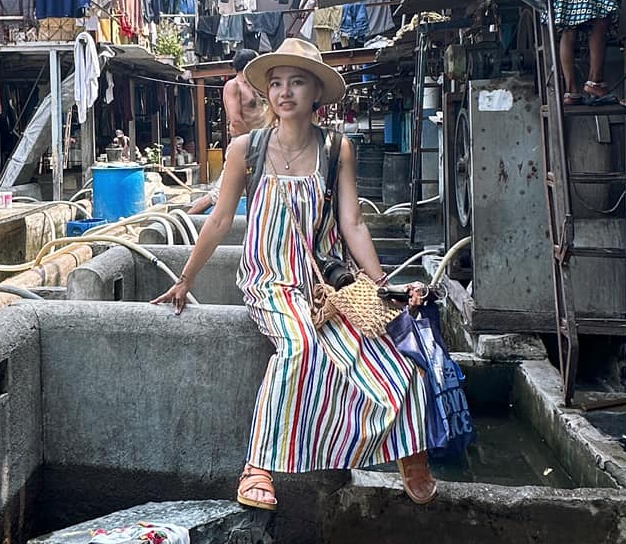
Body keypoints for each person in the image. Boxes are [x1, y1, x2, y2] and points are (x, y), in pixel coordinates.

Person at [155, 38, 435, 508]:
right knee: (301, 345)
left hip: (325, 283)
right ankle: (257, 465)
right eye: (277, 83)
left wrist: (380, 285)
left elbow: (353, 222)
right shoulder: (246, 149)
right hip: (269, 280)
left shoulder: (337, 149)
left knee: (392, 353)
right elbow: (219, 220)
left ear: (316, 92)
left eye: (297, 82)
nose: (285, 93)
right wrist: (186, 278)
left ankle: (410, 449)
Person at [221, 43, 266, 140]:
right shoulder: (233, 85)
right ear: (249, 63)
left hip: (259, 138)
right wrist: (252, 140)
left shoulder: (252, 85)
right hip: (244, 140)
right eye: (256, 62)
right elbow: (236, 121)